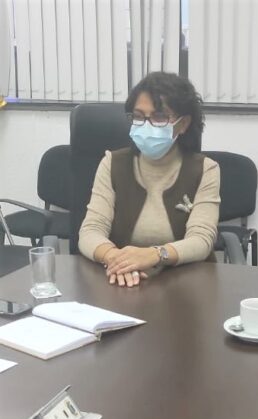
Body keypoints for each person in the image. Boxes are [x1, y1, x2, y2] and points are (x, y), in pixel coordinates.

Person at [79, 72, 220, 288]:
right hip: (123, 281)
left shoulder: (205, 170)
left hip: (186, 286)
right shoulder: (112, 164)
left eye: (159, 117)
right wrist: (116, 259)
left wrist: (155, 255)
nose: (146, 125)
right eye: (138, 116)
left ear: (183, 124)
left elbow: (201, 240)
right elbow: (90, 230)